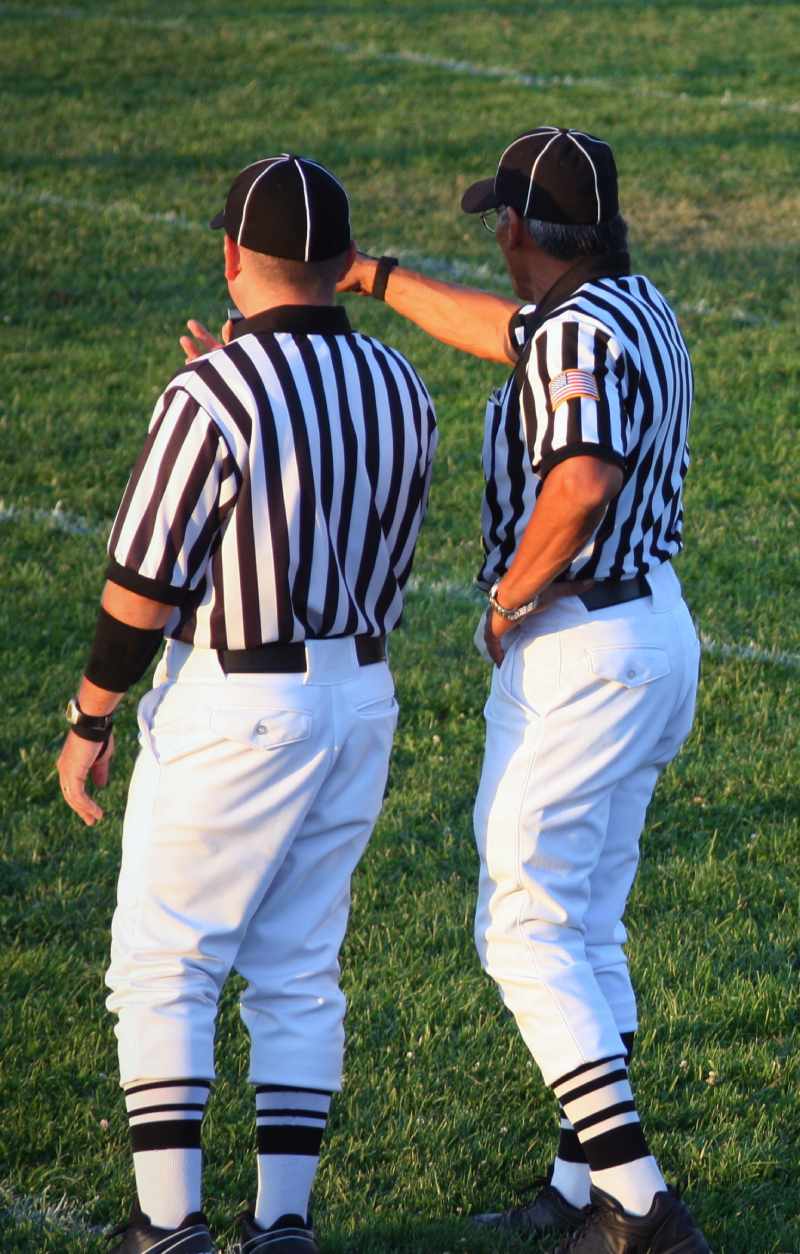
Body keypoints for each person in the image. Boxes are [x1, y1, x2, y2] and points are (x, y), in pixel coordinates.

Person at [57, 152, 438, 1254]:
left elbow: (140, 589)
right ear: (337, 264)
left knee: (165, 960)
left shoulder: (209, 394)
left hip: (238, 704)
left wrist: (90, 717)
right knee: (298, 966)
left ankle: (167, 1226)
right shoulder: (401, 386)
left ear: (232, 257)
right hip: (358, 695)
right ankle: (282, 1225)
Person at [338, 127, 710, 1253]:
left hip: (580, 649)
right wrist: (378, 280)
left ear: (512, 230)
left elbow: (580, 477)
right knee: (583, 923)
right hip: (649, 632)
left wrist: (505, 598)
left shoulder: (571, 335)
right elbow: (512, 336)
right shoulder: (623, 305)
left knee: (519, 929)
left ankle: (639, 1205)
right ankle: (577, 1183)